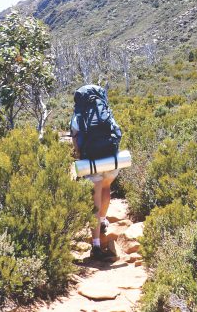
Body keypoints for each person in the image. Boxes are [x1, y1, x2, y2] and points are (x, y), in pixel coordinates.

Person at [70, 84, 123, 261]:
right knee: (107, 188)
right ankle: (102, 221)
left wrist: (79, 156)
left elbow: (76, 141)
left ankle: (96, 245)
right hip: (109, 158)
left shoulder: (79, 115)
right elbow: (117, 132)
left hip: (91, 160)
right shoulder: (105, 110)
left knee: (95, 196)